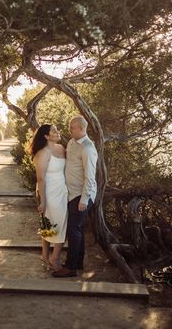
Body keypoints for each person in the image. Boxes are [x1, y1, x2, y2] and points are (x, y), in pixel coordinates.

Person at [52, 115, 97, 278]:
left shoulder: (88, 148)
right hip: (71, 193)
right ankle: (77, 262)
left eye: (72, 127)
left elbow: (90, 177)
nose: (69, 130)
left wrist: (84, 199)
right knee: (76, 229)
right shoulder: (71, 142)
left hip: (82, 194)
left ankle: (70, 268)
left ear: (81, 129)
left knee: (73, 229)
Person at [30, 123, 68, 271]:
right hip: (49, 193)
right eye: (54, 131)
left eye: (57, 129)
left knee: (52, 224)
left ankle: (45, 256)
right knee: (56, 224)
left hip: (62, 190)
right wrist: (43, 201)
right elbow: (41, 179)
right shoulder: (42, 153)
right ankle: (54, 259)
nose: (58, 132)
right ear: (46, 136)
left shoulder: (61, 148)